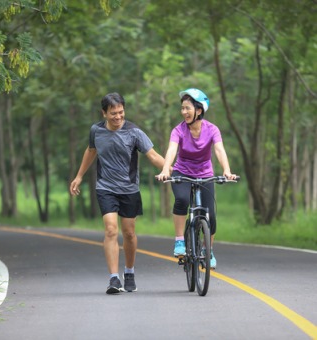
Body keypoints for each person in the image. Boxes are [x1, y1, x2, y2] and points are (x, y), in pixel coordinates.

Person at [69, 92, 166, 294]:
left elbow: (154, 156)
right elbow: (90, 151)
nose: (118, 117)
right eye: (113, 113)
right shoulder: (96, 130)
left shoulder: (134, 132)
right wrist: (79, 176)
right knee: (111, 230)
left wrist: (172, 170)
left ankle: (129, 272)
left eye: (121, 112)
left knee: (129, 233)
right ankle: (114, 279)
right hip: (105, 187)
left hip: (129, 188)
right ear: (104, 113)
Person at [156, 88, 237, 269]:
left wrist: (227, 170)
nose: (184, 112)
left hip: (205, 174)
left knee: (212, 216)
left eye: (188, 108)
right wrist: (165, 170)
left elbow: (219, 150)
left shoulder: (212, 129)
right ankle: (179, 241)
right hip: (182, 172)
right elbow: (171, 150)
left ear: (198, 110)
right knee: (182, 199)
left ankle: (209, 250)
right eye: (182, 108)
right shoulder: (178, 130)